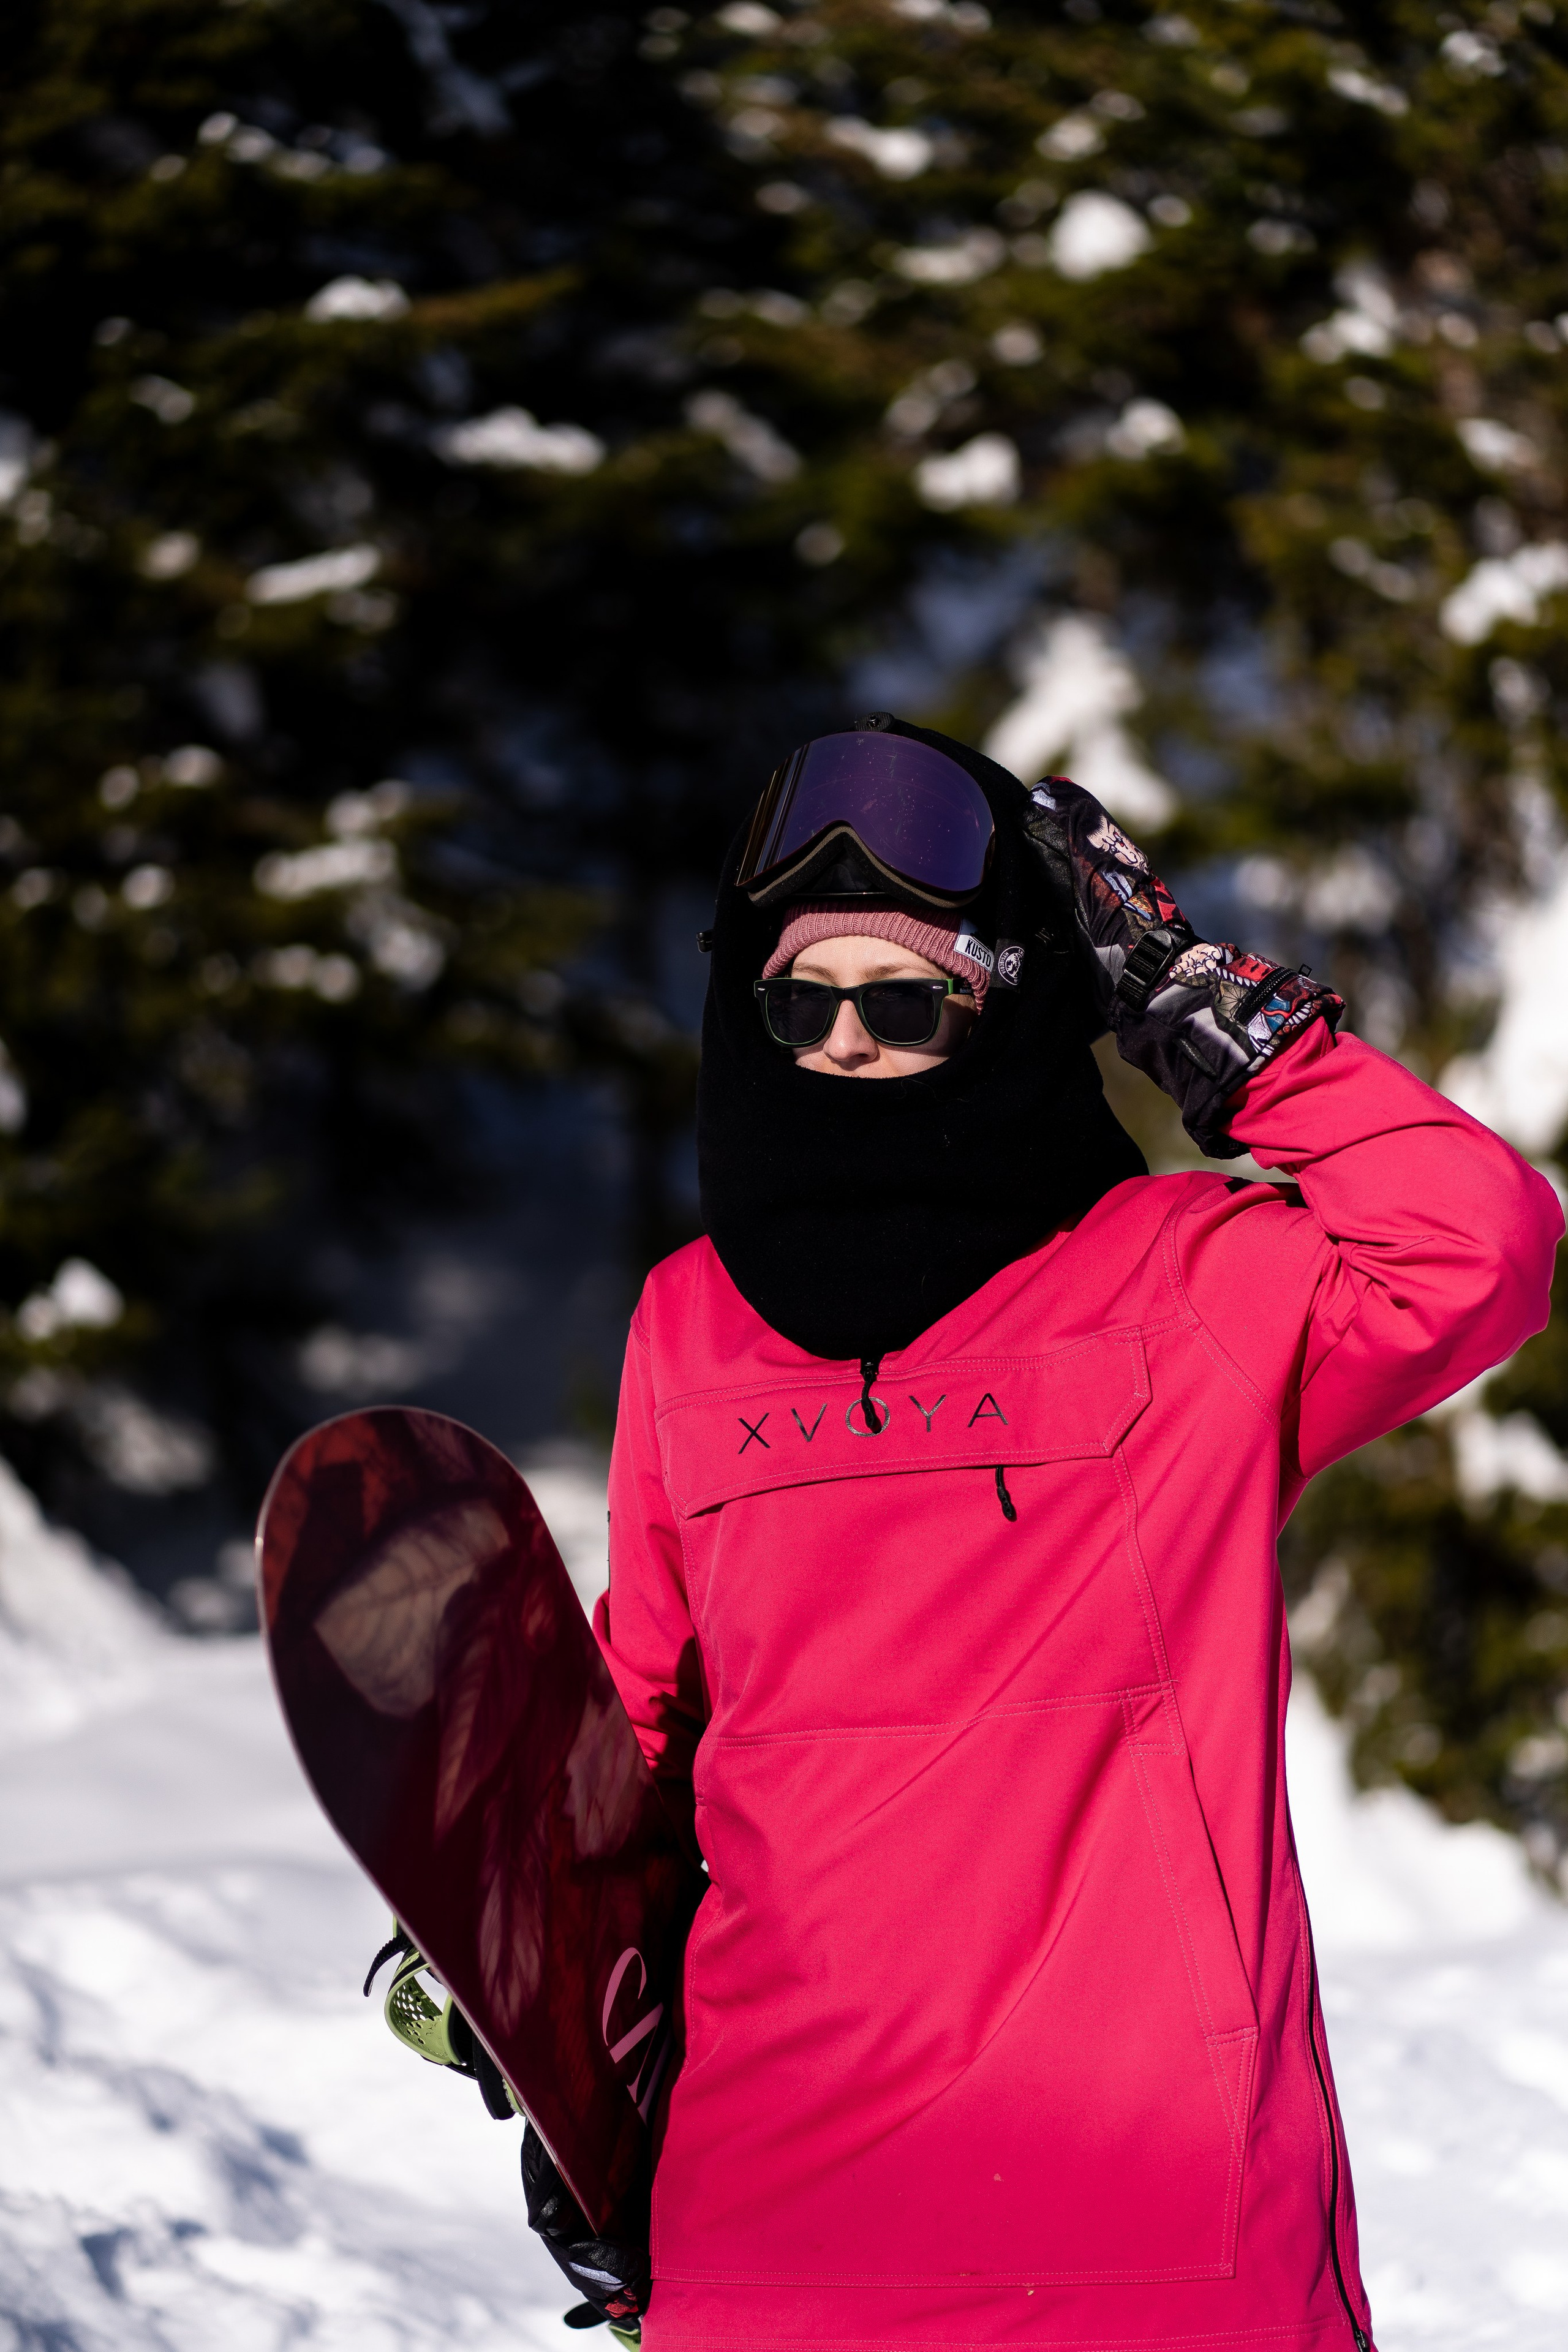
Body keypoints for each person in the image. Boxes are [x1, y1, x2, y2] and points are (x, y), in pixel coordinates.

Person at [587, 712, 1562, 2351]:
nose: (842, 1040)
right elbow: (633, 1731)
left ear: (1013, 1000)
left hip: (1148, 2221)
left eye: (904, 997)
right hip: (780, 2221)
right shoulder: (690, 1331)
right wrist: (566, 2064)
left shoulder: (1187, 1285)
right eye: (797, 998)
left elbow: (1480, 1249)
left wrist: (1223, 1026)